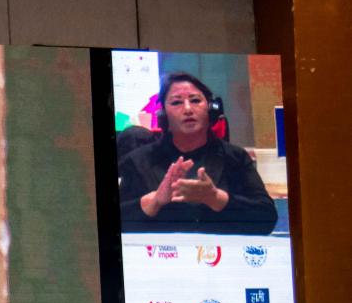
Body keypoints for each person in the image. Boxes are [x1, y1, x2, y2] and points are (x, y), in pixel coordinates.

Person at [118, 72, 277, 235]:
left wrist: (216, 198)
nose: (187, 109)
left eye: (195, 100)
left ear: (211, 110)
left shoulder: (235, 157)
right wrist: (155, 200)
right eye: (176, 102)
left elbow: (267, 219)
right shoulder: (139, 160)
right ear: (164, 116)